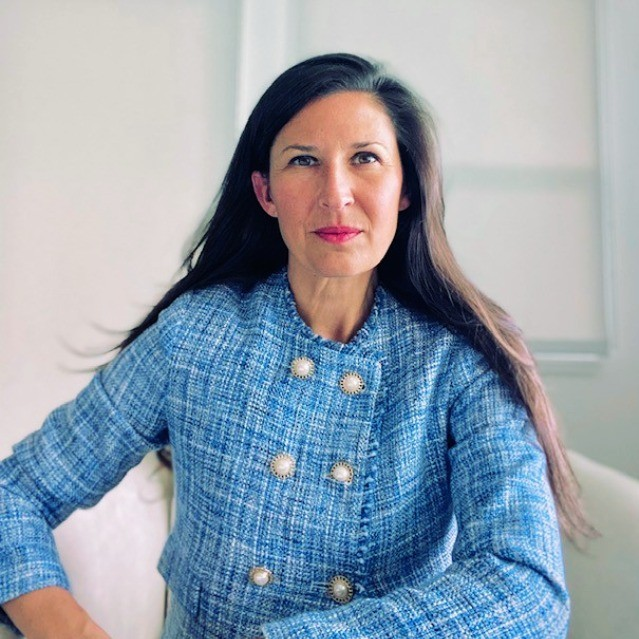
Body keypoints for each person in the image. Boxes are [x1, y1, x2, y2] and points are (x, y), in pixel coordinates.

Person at [0, 52, 591, 638]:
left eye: (365, 158)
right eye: (304, 161)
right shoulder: (195, 335)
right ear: (265, 192)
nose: (336, 194)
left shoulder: (462, 360)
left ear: (405, 187)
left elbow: (525, 588)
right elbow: (13, 495)